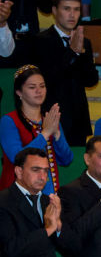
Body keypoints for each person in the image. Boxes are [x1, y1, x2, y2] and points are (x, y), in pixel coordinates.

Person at [30, 0, 99, 147]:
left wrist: (79, 53)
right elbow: (48, 78)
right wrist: (72, 52)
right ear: (54, 11)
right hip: (51, 119)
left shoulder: (85, 42)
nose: (72, 15)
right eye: (66, 9)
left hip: (78, 121)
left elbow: (91, 80)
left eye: (76, 10)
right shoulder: (41, 41)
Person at [0, 65, 73, 193]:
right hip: (16, 197)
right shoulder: (8, 121)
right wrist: (45, 134)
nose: (39, 91)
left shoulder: (49, 119)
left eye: (42, 86)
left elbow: (66, 160)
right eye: (32, 87)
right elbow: (17, 158)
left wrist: (56, 135)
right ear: (19, 92)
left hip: (48, 194)